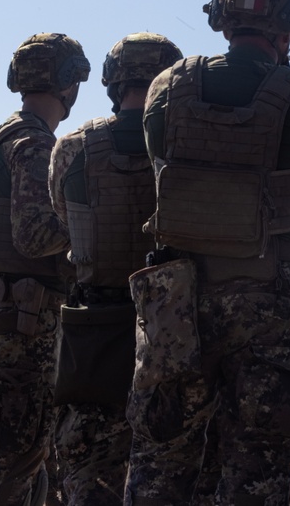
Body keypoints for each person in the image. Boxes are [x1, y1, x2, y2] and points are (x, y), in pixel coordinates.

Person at [124, 0, 290, 505]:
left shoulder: (164, 88)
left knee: (159, 460)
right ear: (289, 26)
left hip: (176, 306)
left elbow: (158, 167)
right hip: (269, 307)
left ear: (221, 18)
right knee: (257, 467)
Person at [48, 32, 182, 505]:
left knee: (89, 475)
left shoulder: (71, 148)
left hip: (94, 331)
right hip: (173, 328)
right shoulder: (184, 148)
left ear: (111, 80)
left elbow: (65, 221)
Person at [0, 33, 90, 506]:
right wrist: (89, 225)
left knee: (37, 459)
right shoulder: (34, 144)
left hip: (2, 319)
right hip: (25, 329)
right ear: (67, 84)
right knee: (11, 462)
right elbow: (35, 236)